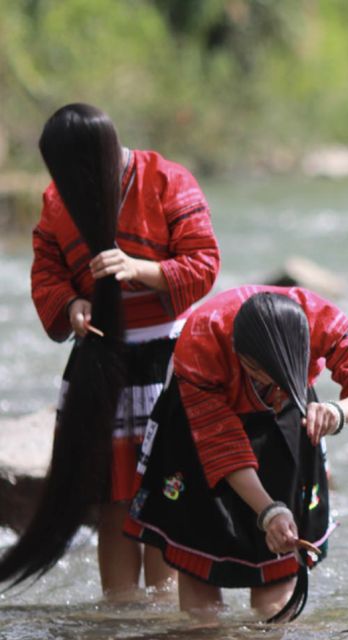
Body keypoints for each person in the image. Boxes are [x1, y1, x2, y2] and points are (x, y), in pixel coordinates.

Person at [0, 103, 219, 597]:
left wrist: (140, 269)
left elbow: (204, 260)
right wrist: (72, 303)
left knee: (166, 490)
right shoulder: (58, 201)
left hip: (166, 356)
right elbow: (46, 271)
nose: (65, 180)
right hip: (99, 361)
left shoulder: (166, 180)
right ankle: (119, 610)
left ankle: (162, 610)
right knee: (112, 496)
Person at [123, 286, 348, 620]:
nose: (268, 386)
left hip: (291, 414)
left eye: (273, 376)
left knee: (277, 587)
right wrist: (269, 511)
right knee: (200, 574)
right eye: (256, 372)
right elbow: (223, 446)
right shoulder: (202, 340)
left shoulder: (323, 322)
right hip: (202, 424)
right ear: (237, 352)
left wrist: (338, 412)